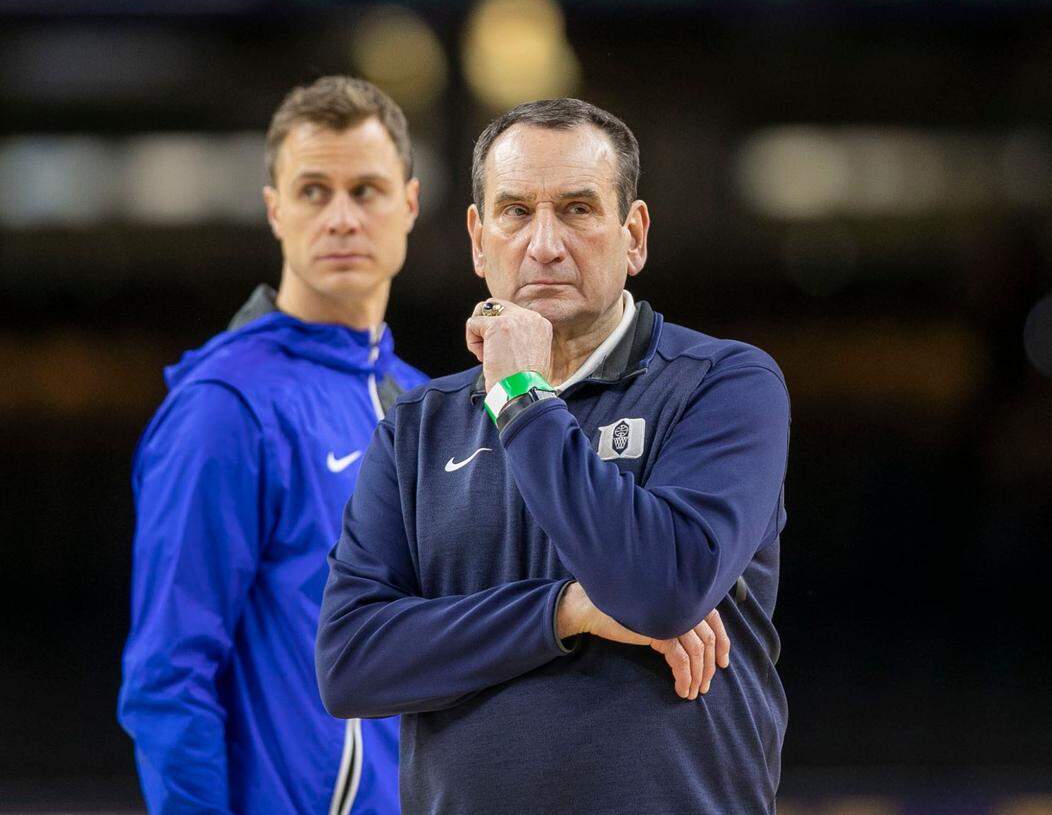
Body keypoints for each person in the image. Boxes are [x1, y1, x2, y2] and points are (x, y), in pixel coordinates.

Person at [316, 98, 791, 814]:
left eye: (576, 209)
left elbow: (662, 589)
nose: (544, 244)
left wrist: (521, 396)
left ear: (633, 235)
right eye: (515, 211)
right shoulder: (415, 426)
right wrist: (566, 610)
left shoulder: (724, 385)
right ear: (478, 240)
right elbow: (351, 662)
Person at [119, 76, 427, 814]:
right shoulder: (225, 408)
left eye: (367, 190)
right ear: (275, 211)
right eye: (314, 191)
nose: (342, 218)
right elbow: (168, 677)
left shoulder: (426, 405)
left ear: (410, 204)